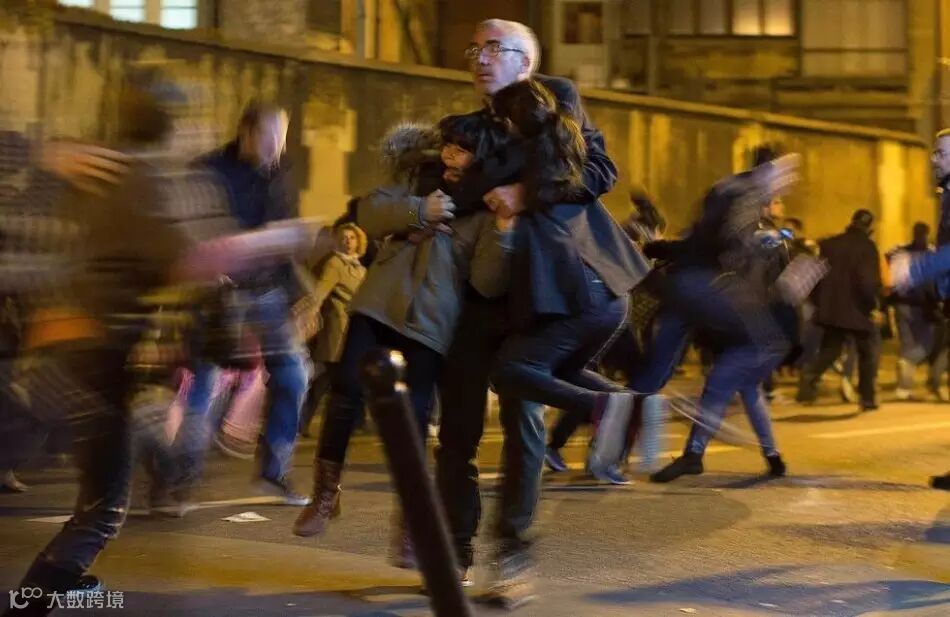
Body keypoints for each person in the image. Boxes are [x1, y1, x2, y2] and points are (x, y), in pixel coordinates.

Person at [1, 68, 322, 616]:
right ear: (169, 123)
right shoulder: (140, 180)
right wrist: (277, 239)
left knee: (125, 457)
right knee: (104, 509)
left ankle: (68, 575)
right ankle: (32, 600)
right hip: (91, 359)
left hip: (64, 353)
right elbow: (192, 259)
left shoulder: (97, 167)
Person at [433, 20, 624, 596]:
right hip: (474, 291)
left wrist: (522, 192)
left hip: (537, 292)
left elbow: (598, 171)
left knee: (522, 420)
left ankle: (511, 554)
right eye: (475, 47)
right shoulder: (461, 127)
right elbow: (447, 195)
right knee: (458, 430)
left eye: (495, 48)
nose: (480, 58)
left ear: (527, 63)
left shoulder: (555, 102)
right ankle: (454, 552)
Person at [292, 114, 515, 563]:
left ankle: (412, 519)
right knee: (347, 389)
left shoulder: (487, 209)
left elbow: (487, 281)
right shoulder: (418, 178)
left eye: (462, 149)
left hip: (431, 325)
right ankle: (326, 492)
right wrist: (419, 211)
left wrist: (505, 230)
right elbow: (369, 212)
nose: (450, 155)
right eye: (448, 144)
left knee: (409, 423)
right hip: (378, 302)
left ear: (482, 159)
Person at [643, 148, 805, 483]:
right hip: (741, 318)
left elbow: (761, 277)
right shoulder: (751, 218)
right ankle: (769, 457)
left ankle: (698, 453)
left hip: (746, 319)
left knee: (727, 382)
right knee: (744, 387)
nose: (783, 194)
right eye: (780, 190)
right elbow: (722, 253)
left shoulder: (756, 225)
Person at [179, 102, 312, 506]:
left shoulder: (279, 174)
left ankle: (274, 470)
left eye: (283, 138)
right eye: (271, 137)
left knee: (293, 374)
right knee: (203, 383)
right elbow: (192, 230)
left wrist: (299, 296)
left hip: (267, 289)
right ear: (247, 133)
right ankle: (178, 480)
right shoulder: (210, 171)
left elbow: (283, 237)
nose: (278, 147)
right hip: (217, 290)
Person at [796, 209, 882, 411]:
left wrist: (818, 302)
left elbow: (816, 276)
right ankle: (867, 397)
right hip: (857, 309)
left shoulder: (829, 244)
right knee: (867, 352)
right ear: (869, 227)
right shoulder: (867, 247)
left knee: (831, 349)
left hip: (831, 307)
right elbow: (867, 282)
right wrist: (873, 306)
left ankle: (809, 376)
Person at [296, 222, 368, 437]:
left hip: (353, 329)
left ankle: (356, 421)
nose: (348, 241)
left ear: (358, 241)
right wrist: (307, 312)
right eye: (344, 238)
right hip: (338, 328)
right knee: (327, 378)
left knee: (347, 377)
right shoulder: (335, 264)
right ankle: (302, 422)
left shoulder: (359, 267)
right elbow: (320, 292)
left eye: (352, 238)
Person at [887, 222, 945, 401]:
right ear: (926, 234)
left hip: (900, 304)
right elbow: (931, 283)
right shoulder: (929, 255)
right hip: (920, 305)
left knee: (907, 344)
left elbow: (891, 277)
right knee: (926, 344)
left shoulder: (900, 253)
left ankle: (903, 388)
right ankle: (908, 364)